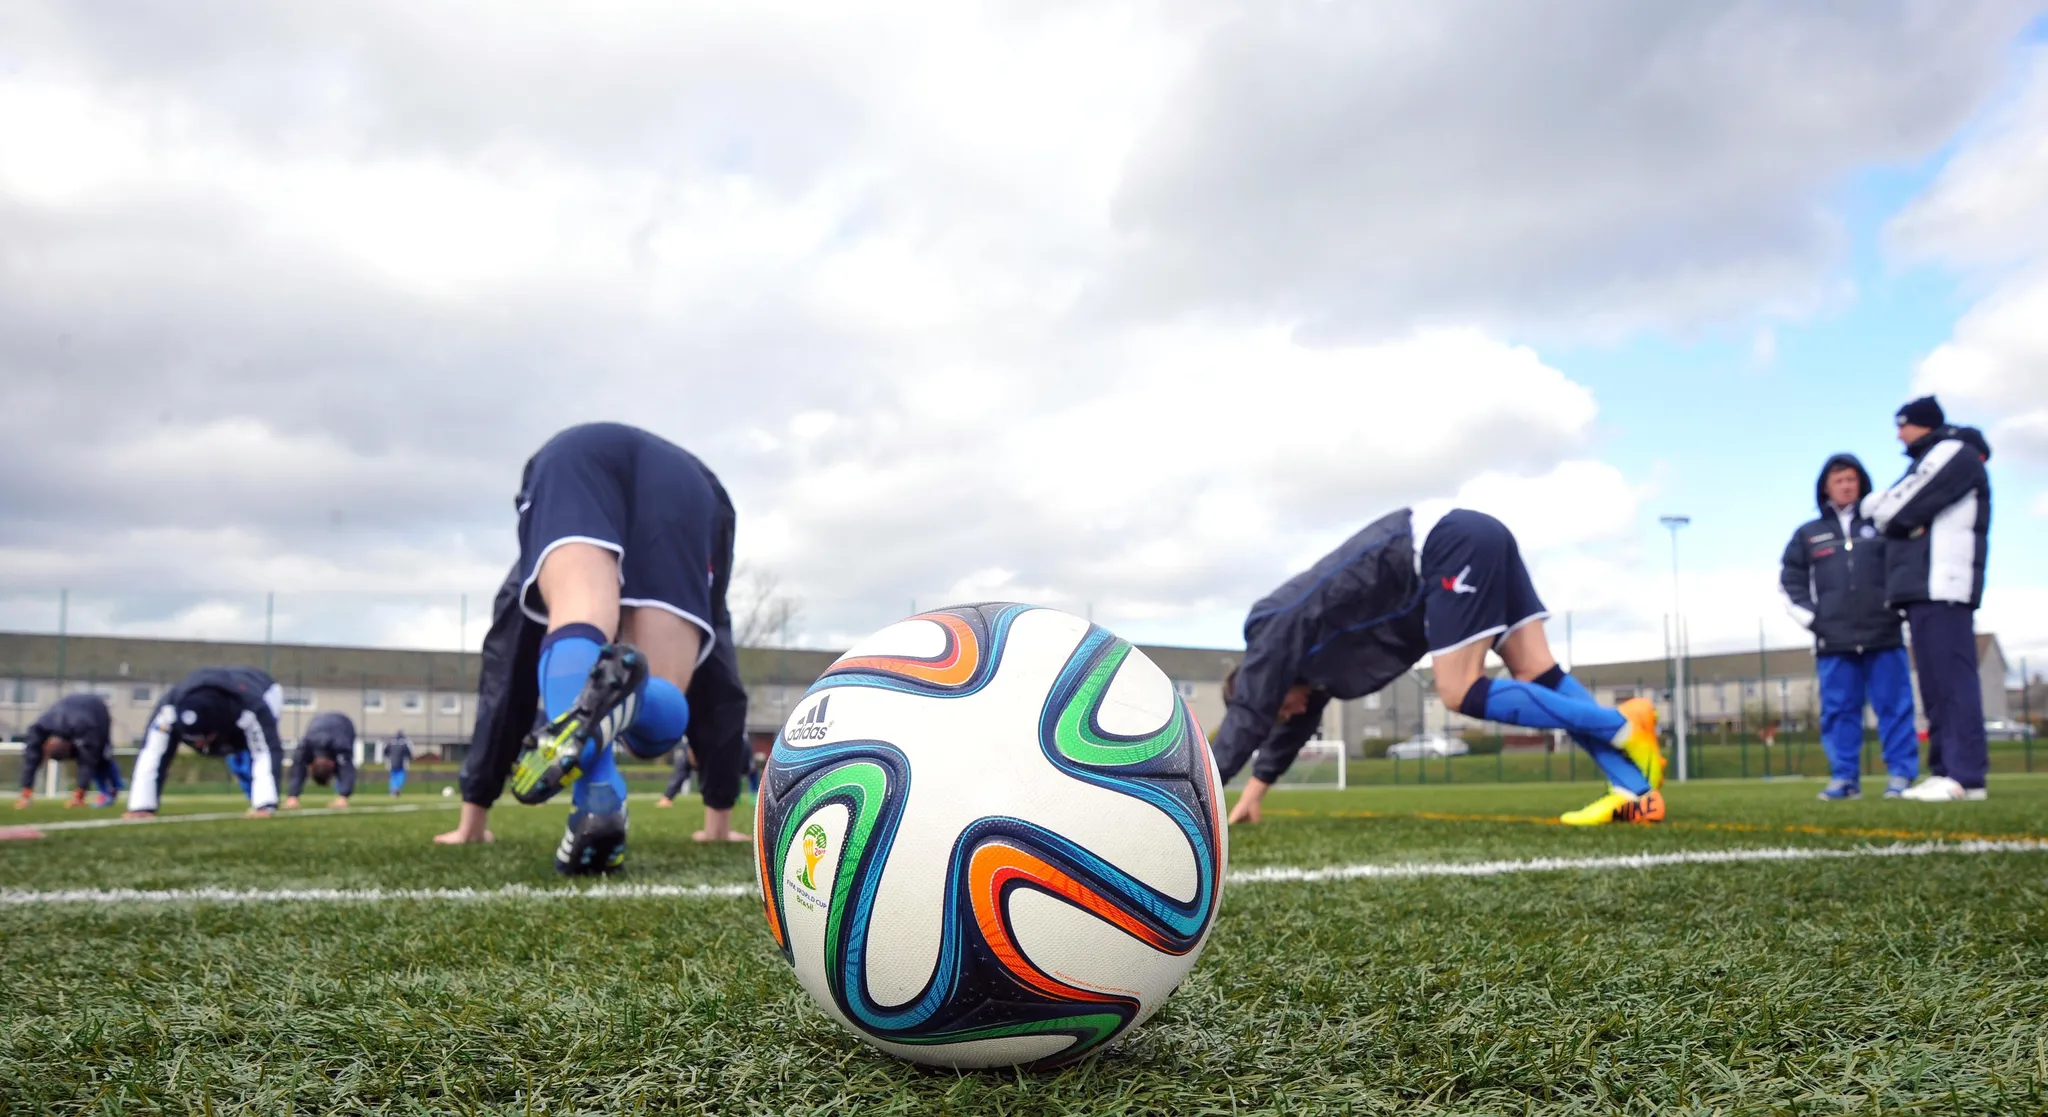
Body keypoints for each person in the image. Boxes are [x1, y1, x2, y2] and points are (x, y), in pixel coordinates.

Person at [1214, 508, 1664, 826]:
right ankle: (1635, 794)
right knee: (1537, 672)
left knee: (1458, 689)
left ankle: (1621, 723)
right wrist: (1253, 797)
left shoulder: (1270, 635)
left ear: (1266, 683)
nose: (1290, 715)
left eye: (1281, 708)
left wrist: (1201, 797)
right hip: (1476, 538)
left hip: (1442, 544)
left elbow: (1250, 713)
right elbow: (1287, 732)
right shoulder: (1313, 669)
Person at [437, 422, 752, 873]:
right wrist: (718, 817)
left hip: (576, 455)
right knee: (657, 704)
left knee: (578, 615)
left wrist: (474, 812)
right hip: (690, 486)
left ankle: (600, 798)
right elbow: (720, 684)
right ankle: (635, 700)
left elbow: (506, 668)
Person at [1862, 396, 1994, 801]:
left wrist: (1891, 512)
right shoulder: (1929, 460)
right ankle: (1946, 771)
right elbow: (1900, 515)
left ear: (1922, 424)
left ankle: (1966, 775)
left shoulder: (1954, 452)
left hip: (1945, 586)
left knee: (1953, 682)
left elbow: (1896, 510)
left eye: (1903, 425)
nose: (1899, 435)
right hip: (1924, 590)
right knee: (1935, 686)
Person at [1780, 454, 1920, 800]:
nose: (1846, 486)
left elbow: (1906, 566)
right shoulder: (1808, 535)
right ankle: (1844, 779)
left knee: (1895, 707)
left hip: (1884, 634)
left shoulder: (1884, 525)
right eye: (1839, 480)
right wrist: (1815, 620)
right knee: (1840, 711)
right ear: (1826, 487)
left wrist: (1898, 608)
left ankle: (1900, 776)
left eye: (1851, 480)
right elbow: (1789, 581)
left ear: (1861, 484)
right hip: (1834, 641)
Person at [124, 666, 285, 818]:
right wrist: (141, 807)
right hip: (221, 707)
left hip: (264, 688)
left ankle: (261, 799)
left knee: (247, 761)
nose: (199, 746)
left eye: (203, 739)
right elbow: (151, 753)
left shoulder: (250, 706)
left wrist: (265, 805)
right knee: (237, 764)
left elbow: (265, 750)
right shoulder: (169, 708)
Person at [15, 693, 122, 809]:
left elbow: (88, 761)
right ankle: (26, 795)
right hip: (72, 710)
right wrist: (25, 794)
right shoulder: (38, 729)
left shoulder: (85, 728)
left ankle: (110, 791)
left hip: (96, 710)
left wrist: (79, 796)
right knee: (32, 757)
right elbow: (30, 760)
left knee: (100, 755)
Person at [284, 711, 358, 810]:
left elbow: (346, 768)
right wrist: (292, 796)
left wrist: (292, 797)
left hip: (343, 725)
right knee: (344, 761)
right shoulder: (305, 747)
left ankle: (342, 796)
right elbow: (297, 769)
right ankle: (342, 796)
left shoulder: (340, 745)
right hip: (320, 721)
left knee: (344, 761)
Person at [656, 741, 695, 808]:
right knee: (680, 774)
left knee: (680, 774)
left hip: (690, 746)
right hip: (686, 747)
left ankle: (666, 798)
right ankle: (666, 798)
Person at [385, 729, 413, 797]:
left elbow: (385, 752)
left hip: (392, 763)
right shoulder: (404, 744)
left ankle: (393, 790)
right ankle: (396, 789)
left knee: (393, 777)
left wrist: (388, 758)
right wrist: (409, 760)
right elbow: (408, 754)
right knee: (401, 777)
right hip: (401, 764)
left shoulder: (391, 743)